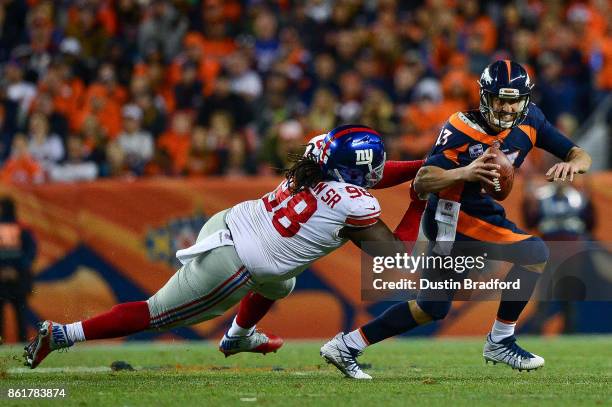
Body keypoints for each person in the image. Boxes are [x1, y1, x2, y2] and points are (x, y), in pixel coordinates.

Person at [24, 124, 423, 369]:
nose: (376, 172)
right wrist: (420, 197)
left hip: (232, 222)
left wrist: (421, 167)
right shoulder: (354, 202)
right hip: (233, 263)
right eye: (369, 166)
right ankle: (60, 334)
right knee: (155, 314)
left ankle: (238, 335)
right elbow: (393, 254)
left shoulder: (316, 156)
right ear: (350, 172)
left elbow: (369, 175)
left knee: (282, 282)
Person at [321, 60, 592, 379]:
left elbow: (578, 153)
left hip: (481, 212)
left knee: (430, 308)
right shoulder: (461, 127)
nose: (506, 109)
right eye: (499, 100)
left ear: (525, 99)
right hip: (452, 215)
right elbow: (423, 181)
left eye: (513, 100)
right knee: (534, 253)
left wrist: (574, 165)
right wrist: (465, 171)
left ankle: (347, 344)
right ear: (484, 97)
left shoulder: (531, 119)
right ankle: (501, 340)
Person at [0, 197, 37, 342]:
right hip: (18, 275)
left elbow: (30, 251)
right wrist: (16, 268)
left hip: (16, 276)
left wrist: (7, 269)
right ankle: (21, 342)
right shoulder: (23, 227)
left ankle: (21, 341)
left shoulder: (23, 227)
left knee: (21, 312)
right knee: (20, 311)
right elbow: (30, 252)